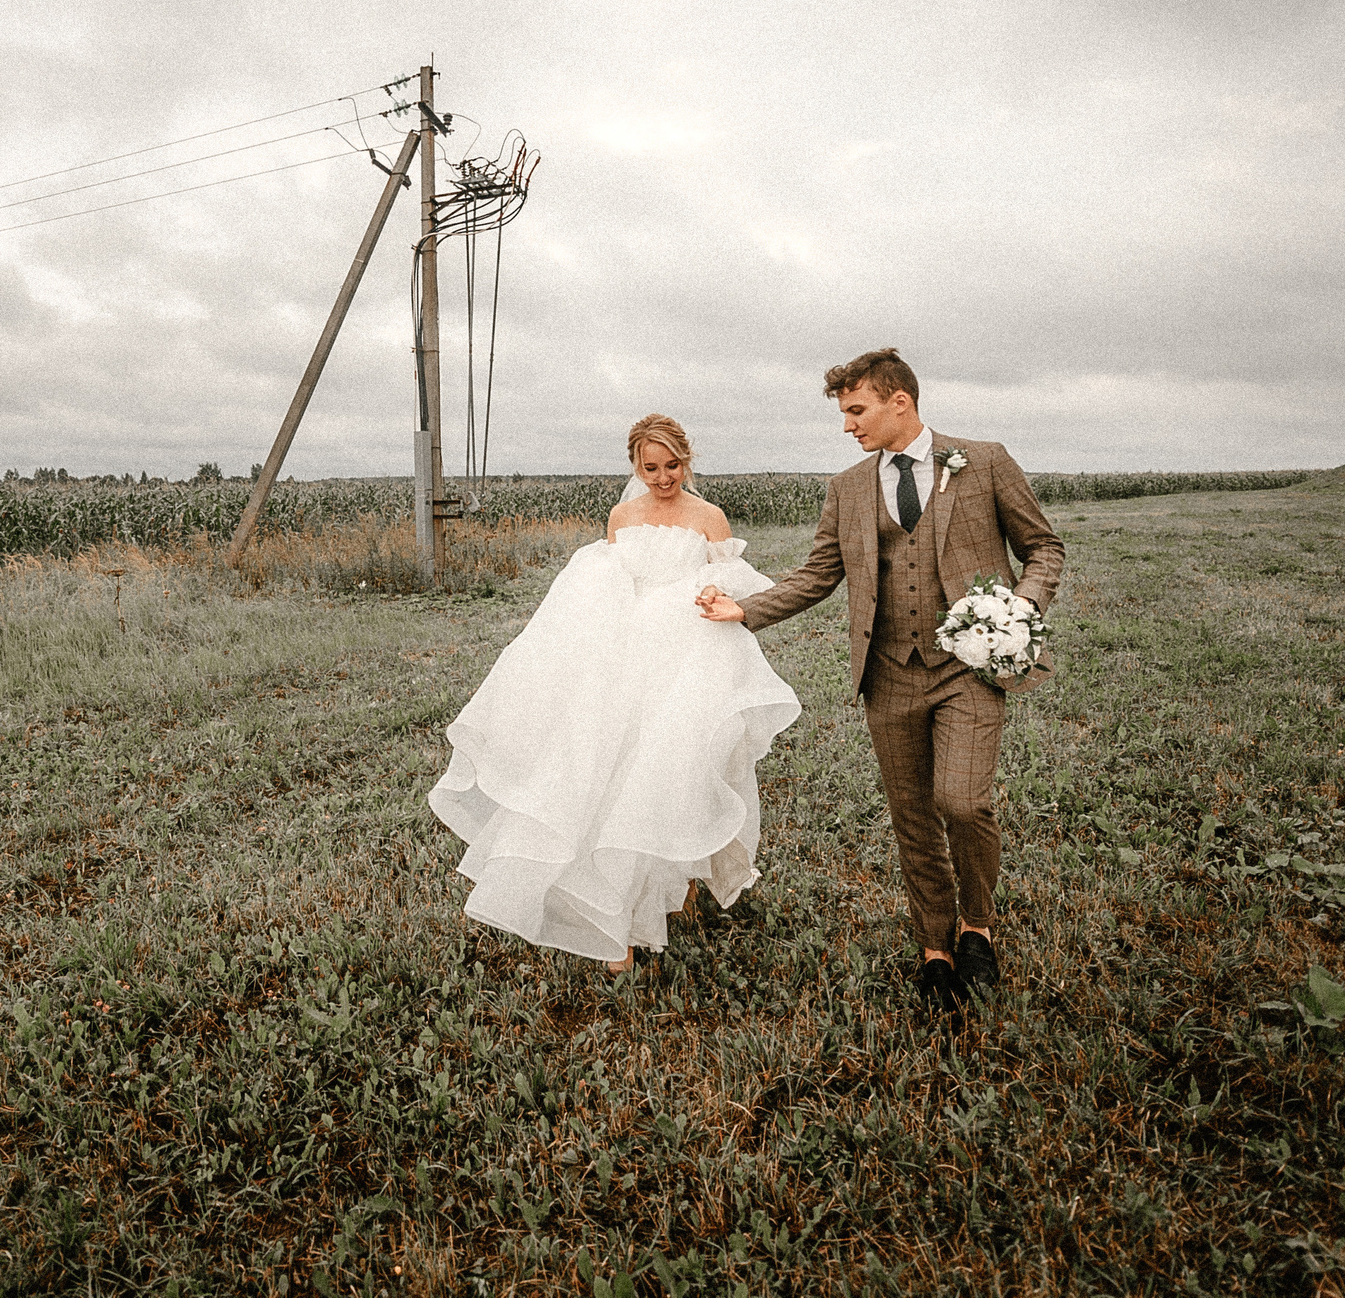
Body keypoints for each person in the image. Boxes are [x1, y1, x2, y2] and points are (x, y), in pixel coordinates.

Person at [699, 349, 1064, 1012]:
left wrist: (1022, 607)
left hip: (968, 668)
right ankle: (935, 949)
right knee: (913, 817)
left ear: (901, 401)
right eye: (844, 414)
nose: (848, 426)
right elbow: (818, 576)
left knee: (962, 802)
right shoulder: (847, 488)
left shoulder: (983, 461)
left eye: (856, 410)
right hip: (889, 673)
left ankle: (976, 924)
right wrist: (744, 610)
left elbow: (1044, 547)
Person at [429, 415, 802, 971]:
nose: (662, 478)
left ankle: (675, 881)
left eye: (671, 465)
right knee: (606, 776)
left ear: (686, 460)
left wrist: (711, 588)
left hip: (685, 656)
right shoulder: (622, 516)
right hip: (620, 659)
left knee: (673, 774)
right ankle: (616, 924)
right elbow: (602, 587)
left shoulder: (709, 517)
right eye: (649, 468)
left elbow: (738, 582)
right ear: (634, 467)